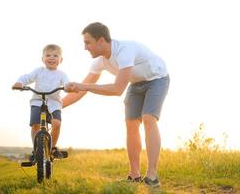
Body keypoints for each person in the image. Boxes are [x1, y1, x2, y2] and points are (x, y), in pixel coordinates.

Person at [63, 22, 169, 187]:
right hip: (136, 82)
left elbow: (117, 89)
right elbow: (82, 90)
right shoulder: (99, 61)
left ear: (101, 41)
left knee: (148, 118)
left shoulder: (124, 51)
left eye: (88, 42)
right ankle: (134, 176)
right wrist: (58, 107)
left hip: (157, 78)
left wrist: (84, 86)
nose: (85, 47)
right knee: (131, 124)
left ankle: (152, 175)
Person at [12, 44, 70, 161]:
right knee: (35, 125)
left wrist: (68, 86)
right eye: (48, 55)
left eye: (55, 55)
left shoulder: (61, 74)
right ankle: (36, 149)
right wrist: (20, 83)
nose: (51, 58)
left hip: (54, 103)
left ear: (61, 60)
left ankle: (52, 147)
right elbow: (27, 77)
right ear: (42, 59)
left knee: (57, 123)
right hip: (37, 101)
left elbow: (67, 83)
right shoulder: (39, 71)